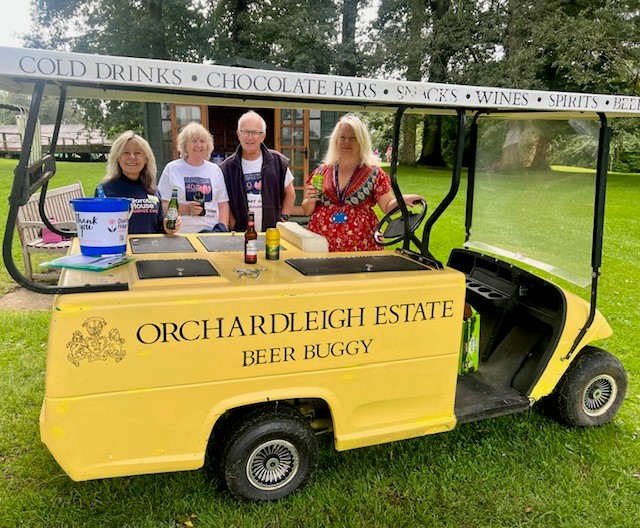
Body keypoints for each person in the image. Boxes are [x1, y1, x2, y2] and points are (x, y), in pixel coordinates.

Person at [301, 114, 423, 252]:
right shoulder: (322, 171)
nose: (347, 141)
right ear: (336, 140)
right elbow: (306, 210)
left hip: (362, 245)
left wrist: (402, 200)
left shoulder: (374, 173)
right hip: (321, 245)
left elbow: (387, 206)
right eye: (343, 137)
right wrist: (310, 200)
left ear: (362, 142)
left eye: (353, 138)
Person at [221, 110, 295, 231]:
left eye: (255, 132)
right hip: (241, 233)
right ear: (238, 134)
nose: (250, 137)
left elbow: (290, 193)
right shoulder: (226, 168)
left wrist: (283, 217)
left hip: (271, 232)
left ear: (263, 136)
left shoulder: (277, 162)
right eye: (245, 132)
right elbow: (222, 200)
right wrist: (232, 221)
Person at [95, 130, 181, 235]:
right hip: (120, 250)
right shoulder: (105, 190)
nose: (132, 157)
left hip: (150, 249)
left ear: (146, 159)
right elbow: (97, 229)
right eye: (125, 152)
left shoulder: (152, 190)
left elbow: (160, 227)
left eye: (137, 153)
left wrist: (168, 228)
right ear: (117, 158)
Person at [158, 122, 229, 233]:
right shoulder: (172, 169)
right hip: (182, 234)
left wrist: (222, 229)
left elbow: (223, 204)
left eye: (202, 141)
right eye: (194, 141)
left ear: (208, 145)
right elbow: (162, 206)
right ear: (184, 145)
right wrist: (187, 208)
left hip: (211, 233)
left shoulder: (215, 170)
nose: (199, 145)